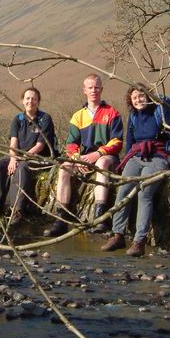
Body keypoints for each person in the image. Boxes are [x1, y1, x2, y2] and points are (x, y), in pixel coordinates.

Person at [101, 84, 170, 257]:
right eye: (135, 97)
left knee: (144, 192)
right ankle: (118, 234)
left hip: (158, 157)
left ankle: (139, 241)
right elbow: (130, 141)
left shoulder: (159, 111)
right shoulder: (133, 115)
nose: (138, 100)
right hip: (137, 156)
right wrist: (126, 160)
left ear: (148, 96)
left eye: (141, 96)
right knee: (123, 189)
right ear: (130, 100)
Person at [44, 73, 123, 237]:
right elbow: (71, 144)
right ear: (84, 90)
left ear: (101, 89)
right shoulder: (77, 116)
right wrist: (77, 159)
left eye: (96, 87)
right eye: (90, 87)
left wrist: (99, 153)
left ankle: (100, 216)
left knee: (101, 164)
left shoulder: (112, 113)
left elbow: (117, 141)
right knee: (65, 167)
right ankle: (61, 220)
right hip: (84, 158)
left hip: (107, 157)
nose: (93, 90)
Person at [0, 87, 56, 226]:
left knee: (22, 168)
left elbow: (40, 146)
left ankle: (17, 210)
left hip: (38, 158)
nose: (30, 101)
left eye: (34, 98)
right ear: (22, 101)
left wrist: (21, 159)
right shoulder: (18, 119)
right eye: (27, 98)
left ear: (38, 101)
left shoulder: (45, 119)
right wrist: (13, 158)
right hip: (20, 156)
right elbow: (13, 143)